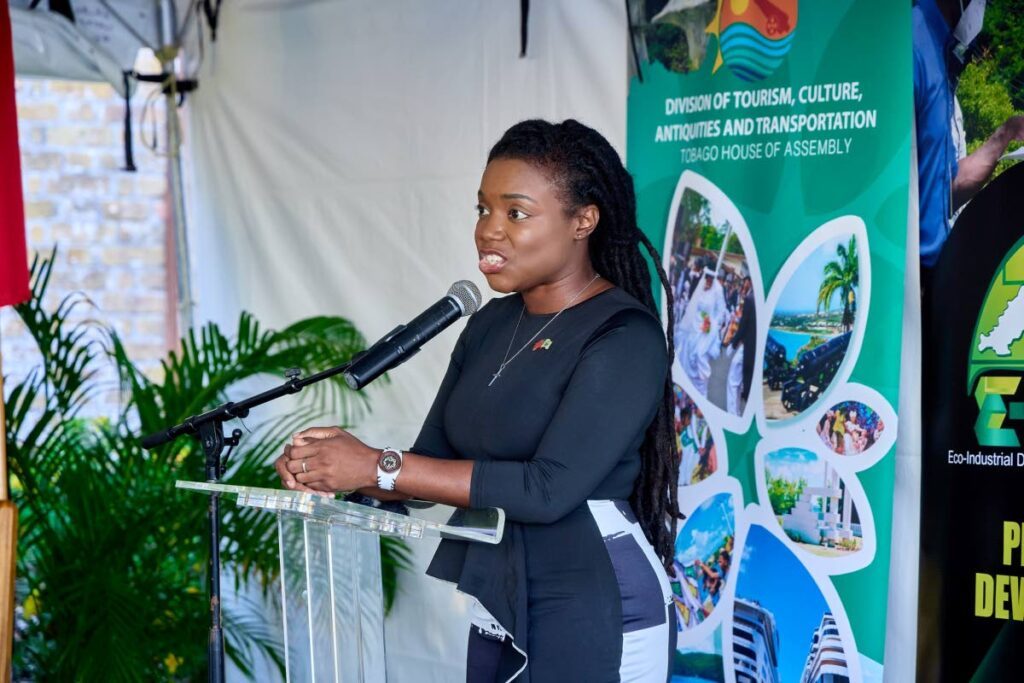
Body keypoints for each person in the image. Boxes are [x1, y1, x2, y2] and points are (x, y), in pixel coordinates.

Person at [274, 119, 681, 682]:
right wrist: (331, 469)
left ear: (583, 220)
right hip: (501, 594)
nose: (489, 231)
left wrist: (377, 465)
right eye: (483, 210)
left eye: (515, 213)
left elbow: (547, 489)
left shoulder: (624, 336)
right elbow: (425, 468)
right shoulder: (489, 324)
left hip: (593, 598)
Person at [914, 0, 1024, 275]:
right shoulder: (913, 46)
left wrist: (1005, 135)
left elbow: (942, 188)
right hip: (908, 282)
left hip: (932, 276)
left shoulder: (940, 54)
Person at [678, 265, 727, 397]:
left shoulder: (718, 290)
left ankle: (700, 393)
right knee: (688, 355)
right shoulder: (700, 286)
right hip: (694, 325)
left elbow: (720, 311)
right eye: (707, 278)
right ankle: (686, 391)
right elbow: (693, 305)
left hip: (707, 330)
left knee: (700, 356)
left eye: (711, 278)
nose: (709, 281)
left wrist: (712, 323)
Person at [726, 276, 756, 416]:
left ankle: (733, 412)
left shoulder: (751, 299)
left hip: (748, 347)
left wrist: (733, 343)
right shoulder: (755, 298)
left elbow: (743, 326)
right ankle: (735, 411)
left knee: (733, 380)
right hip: (752, 348)